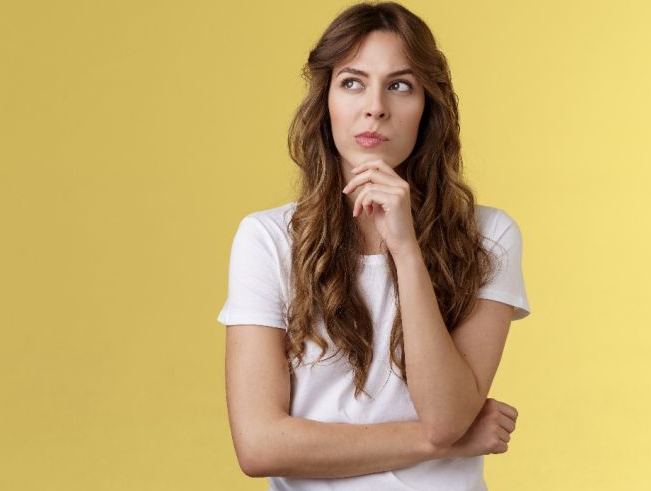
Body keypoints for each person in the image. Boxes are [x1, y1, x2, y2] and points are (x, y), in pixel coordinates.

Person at [217, 2, 532, 490]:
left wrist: (405, 250)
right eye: (352, 82)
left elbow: (447, 417)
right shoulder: (268, 240)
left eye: (400, 85)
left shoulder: (488, 236)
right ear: (326, 101)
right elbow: (260, 446)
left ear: (429, 105)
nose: (376, 106)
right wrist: (432, 442)